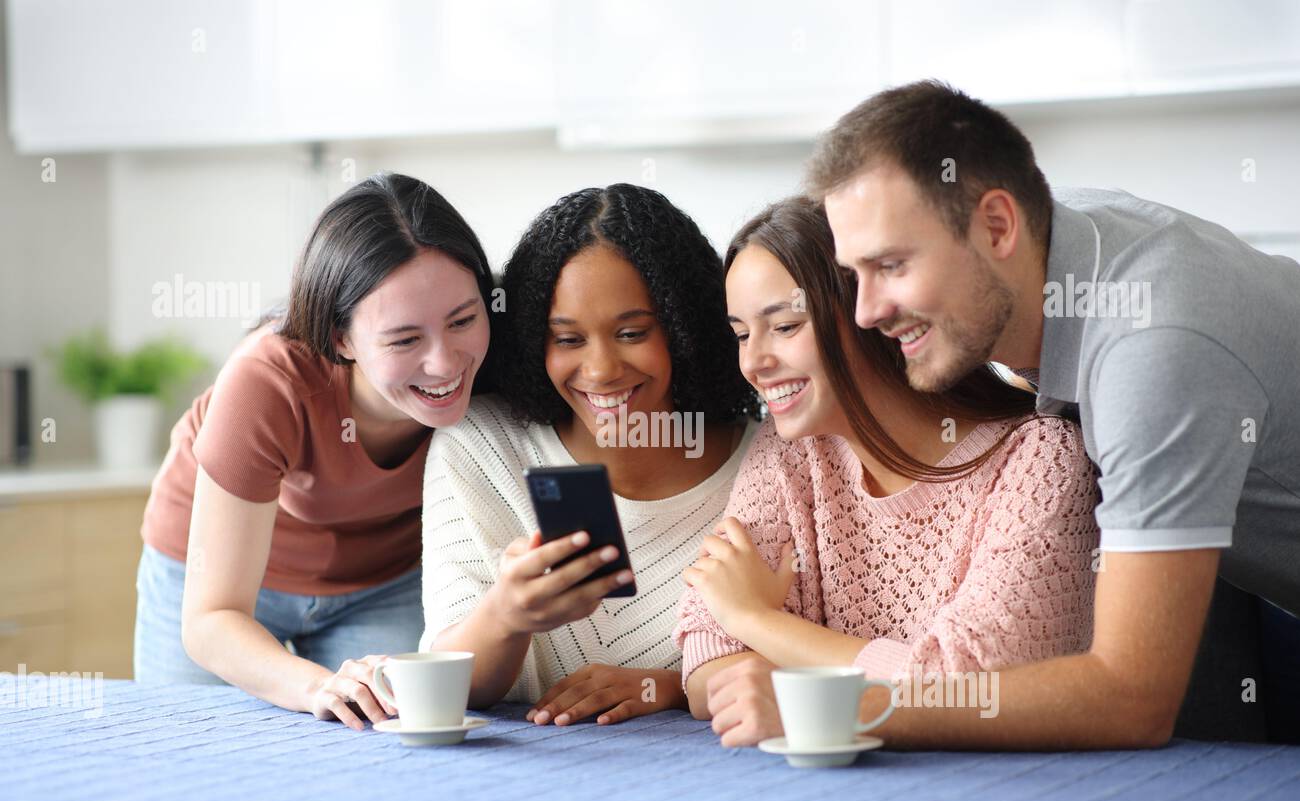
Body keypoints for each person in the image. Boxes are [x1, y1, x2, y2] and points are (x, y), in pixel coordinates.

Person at [703, 80, 1300, 748]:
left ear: (997, 226)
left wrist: (831, 708)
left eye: (891, 265)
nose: (865, 311)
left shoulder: (1152, 352)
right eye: (854, 273)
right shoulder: (1043, 247)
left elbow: (1131, 699)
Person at [676, 197, 1099, 744]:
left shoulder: (1039, 460)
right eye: (741, 334)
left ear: (875, 315)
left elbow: (972, 690)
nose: (754, 362)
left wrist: (759, 623)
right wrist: (818, 677)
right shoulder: (791, 454)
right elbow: (706, 659)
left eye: (783, 326)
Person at [135, 172, 499, 731]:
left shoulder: (500, 364)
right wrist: (313, 685)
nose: (446, 363)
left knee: (387, 740)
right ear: (340, 338)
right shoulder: (267, 381)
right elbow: (212, 617)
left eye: (463, 320)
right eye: (405, 340)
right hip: (217, 579)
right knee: (192, 751)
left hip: (380, 580)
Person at [421, 183, 761, 724]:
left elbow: (803, 659)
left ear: (683, 329)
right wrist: (507, 615)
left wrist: (669, 687)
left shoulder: (766, 465)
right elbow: (445, 688)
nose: (601, 370)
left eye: (631, 333)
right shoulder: (481, 446)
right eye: (568, 339)